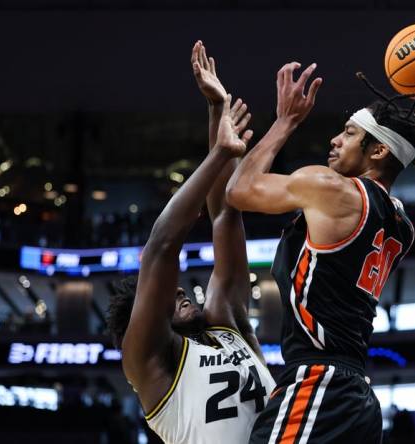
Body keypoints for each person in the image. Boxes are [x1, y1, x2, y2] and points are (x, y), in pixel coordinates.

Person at [227, 56, 415, 443]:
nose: (335, 140)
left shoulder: (332, 189)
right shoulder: (401, 223)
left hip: (318, 386)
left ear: (377, 152)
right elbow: (399, 146)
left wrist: (286, 120)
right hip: (354, 398)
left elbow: (238, 190)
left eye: (350, 133)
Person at [106, 41, 274, 444]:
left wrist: (218, 113)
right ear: (144, 318)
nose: (180, 291)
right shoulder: (148, 360)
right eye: (167, 297)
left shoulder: (228, 323)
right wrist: (217, 156)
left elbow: (225, 215)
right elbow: (163, 244)